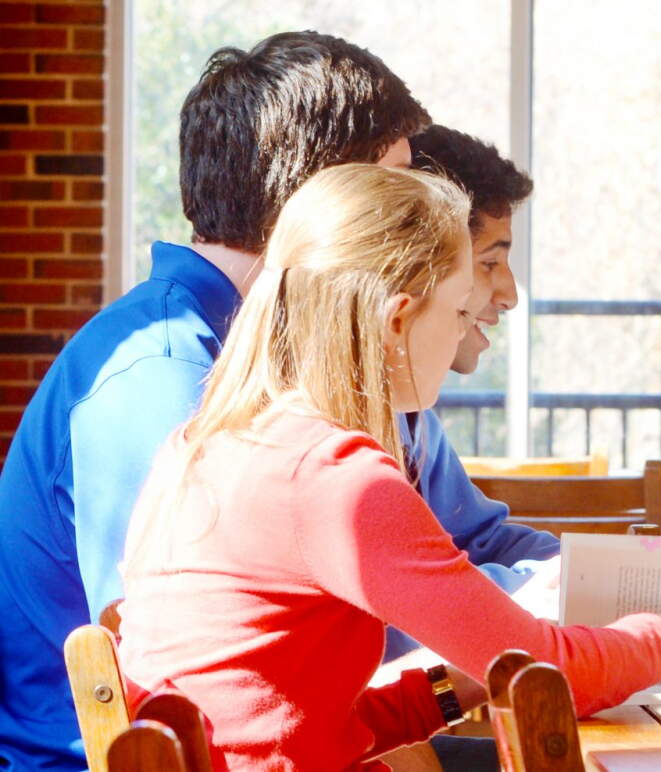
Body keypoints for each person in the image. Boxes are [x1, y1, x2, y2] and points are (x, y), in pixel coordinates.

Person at [116, 164, 661, 770]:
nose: (463, 334)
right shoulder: (335, 480)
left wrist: (458, 684)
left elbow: (287, 721)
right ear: (397, 319)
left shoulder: (204, 445)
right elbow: (545, 669)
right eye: (458, 311)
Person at [0, 32, 429, 770]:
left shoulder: (223, 350)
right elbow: (196, 670)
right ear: (318, 204)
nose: (412, 226)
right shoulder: (165, 374)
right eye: (392, 193)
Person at [371, 124, 548, 663]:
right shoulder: (331, 449)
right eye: (487, 263)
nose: (510, 294)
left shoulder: (411, 413)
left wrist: (595, 576)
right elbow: (403, 620)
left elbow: (477, 539)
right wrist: (551, 595)